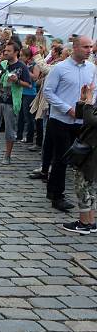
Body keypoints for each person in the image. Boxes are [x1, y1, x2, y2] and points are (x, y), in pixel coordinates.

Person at [43, 36, 97, 212]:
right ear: (75, 47)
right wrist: (67, 109)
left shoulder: (92, 68)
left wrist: (89, 107)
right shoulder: (60, 68)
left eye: (90, 47)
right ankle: (56, 195)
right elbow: (48, 92)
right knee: (61, 159)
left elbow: (94, 91)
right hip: (61, 120)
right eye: (85, 47)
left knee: (82, 160)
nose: (89, 50)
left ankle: (83, 196)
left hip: (83, 122)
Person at [0, 41, 31, 165]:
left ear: (16, 52)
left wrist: (17, 81)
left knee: (10, 129)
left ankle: (7, 155)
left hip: (11, 102)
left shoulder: (22, 67)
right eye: (5, 50)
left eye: (9, 51)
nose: (5, 52)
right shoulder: (2, 64)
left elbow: (29, 84)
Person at [61, 84, 97, 233]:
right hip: (90, 146)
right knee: (89, 185)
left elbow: (91, 121)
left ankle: (83, 223)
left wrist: (88, 101)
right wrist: (83, 101)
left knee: (82, 184)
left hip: (92, 150)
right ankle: (90, 221)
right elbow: (82, 116)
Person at [16, 47, 40, 144]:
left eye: (22, 55)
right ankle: (19, 135)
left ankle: (29, 138)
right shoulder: (22, 64)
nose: (20, 57)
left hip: (30, 93)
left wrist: (25, 69)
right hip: (21, 91)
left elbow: (35, 78)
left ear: (28, 57)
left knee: (28, 116)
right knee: (20, 115)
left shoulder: (34, 65)